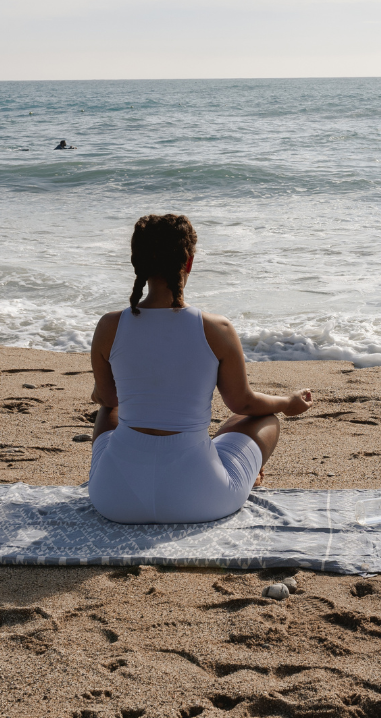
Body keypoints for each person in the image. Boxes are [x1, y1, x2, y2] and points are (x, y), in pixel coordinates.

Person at [88, 213, 313, 523]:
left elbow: (108, 398)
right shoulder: (215, 329)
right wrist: (288, 403)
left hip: (114, 498)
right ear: (188, 262)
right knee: (265, 419)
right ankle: (241, 474)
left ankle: (209, 457)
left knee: (108, 409)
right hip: (200, 499)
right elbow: (242, 402)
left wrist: (102, 393)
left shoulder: (109, 326)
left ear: (136, 262)